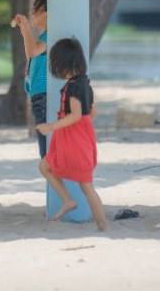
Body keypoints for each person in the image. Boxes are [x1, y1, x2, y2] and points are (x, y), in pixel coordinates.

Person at [36, 38, 108, 231]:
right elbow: (91, 113)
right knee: (47, 166)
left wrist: (51, 126)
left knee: (85, 184)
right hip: (81, 135)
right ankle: (72, 204)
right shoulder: (85, 83)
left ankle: (101, 223)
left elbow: (76, 115)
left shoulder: (73, 86)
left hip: (72, 137)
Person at [12, 0, 48, 157]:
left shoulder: (50, 36)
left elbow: (32, 52)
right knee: (45, 145)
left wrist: (26, 27)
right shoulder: (43, 37)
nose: (32, 13)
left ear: (46, 13)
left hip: (43, 97)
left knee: (46, 149)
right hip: (38, 96)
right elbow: (31, 55)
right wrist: (24, 30)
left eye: (35, 10)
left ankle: (54, 181)